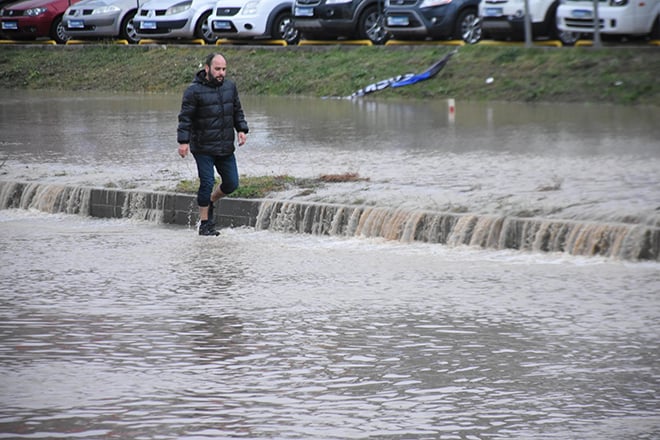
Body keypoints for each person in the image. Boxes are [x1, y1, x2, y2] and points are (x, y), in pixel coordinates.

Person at [177, 53, 249, 236]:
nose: (221, 73)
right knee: (207, 181)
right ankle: (205, 223)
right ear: (207, 68)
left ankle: (210, 201)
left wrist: (241, 130)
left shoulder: (230, 87)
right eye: (217, 69)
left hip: (225, 146)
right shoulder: (193, 91)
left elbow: (237, 110)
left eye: (224, 69)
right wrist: (183, 142)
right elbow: (185, 118)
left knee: (232, 183)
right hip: (203, 147)